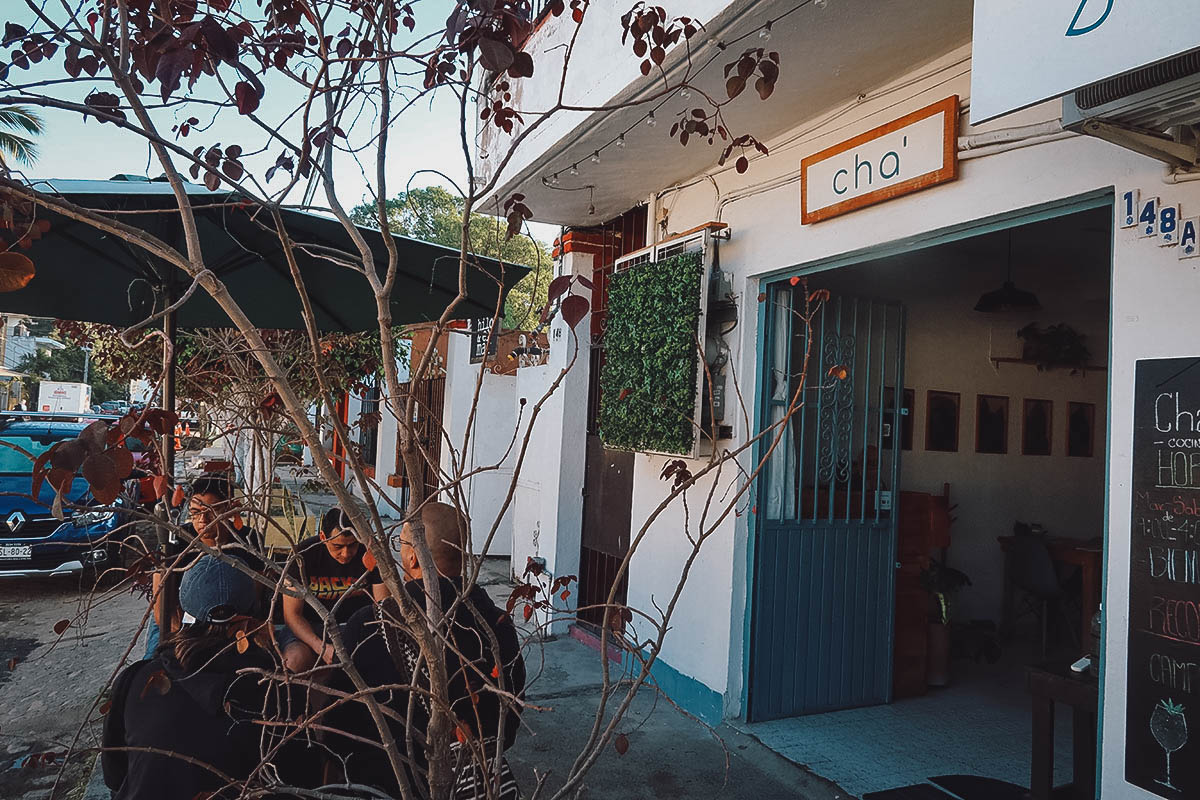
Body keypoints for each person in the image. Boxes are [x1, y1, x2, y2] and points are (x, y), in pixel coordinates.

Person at [325, 503, 525, 797]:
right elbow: (512, 711)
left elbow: (339, 726)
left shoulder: (370, 623)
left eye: (402, 544)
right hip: (477, 779)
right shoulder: (498, 624)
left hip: (390, 783)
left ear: (413, 557)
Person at [104, 556, 305, 799]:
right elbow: (301, 781)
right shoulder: (277, 693)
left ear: (182, 612)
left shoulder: (136, 679)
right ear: (254, 614)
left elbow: (114, 776)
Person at [144, 474, 264, 658]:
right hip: (181, 621)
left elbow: (254, 600)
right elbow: (162, 609)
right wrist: (184, 636)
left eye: (211, 511)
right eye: (195, 512)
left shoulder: (249, 540)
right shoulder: (175, 541)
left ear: (229, 508)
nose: (203, 520)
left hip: (233, 623)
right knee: (155, 661)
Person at [278, 507, 378, 673]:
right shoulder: (303, 555)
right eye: (338, 546)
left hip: (356, 629)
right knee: (295, 660)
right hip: (308, 629)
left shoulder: (371, 553)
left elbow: (381, 605)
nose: (346, 554)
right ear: (323, 538)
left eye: (352, 545)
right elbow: (292, 615)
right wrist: (320, 646)